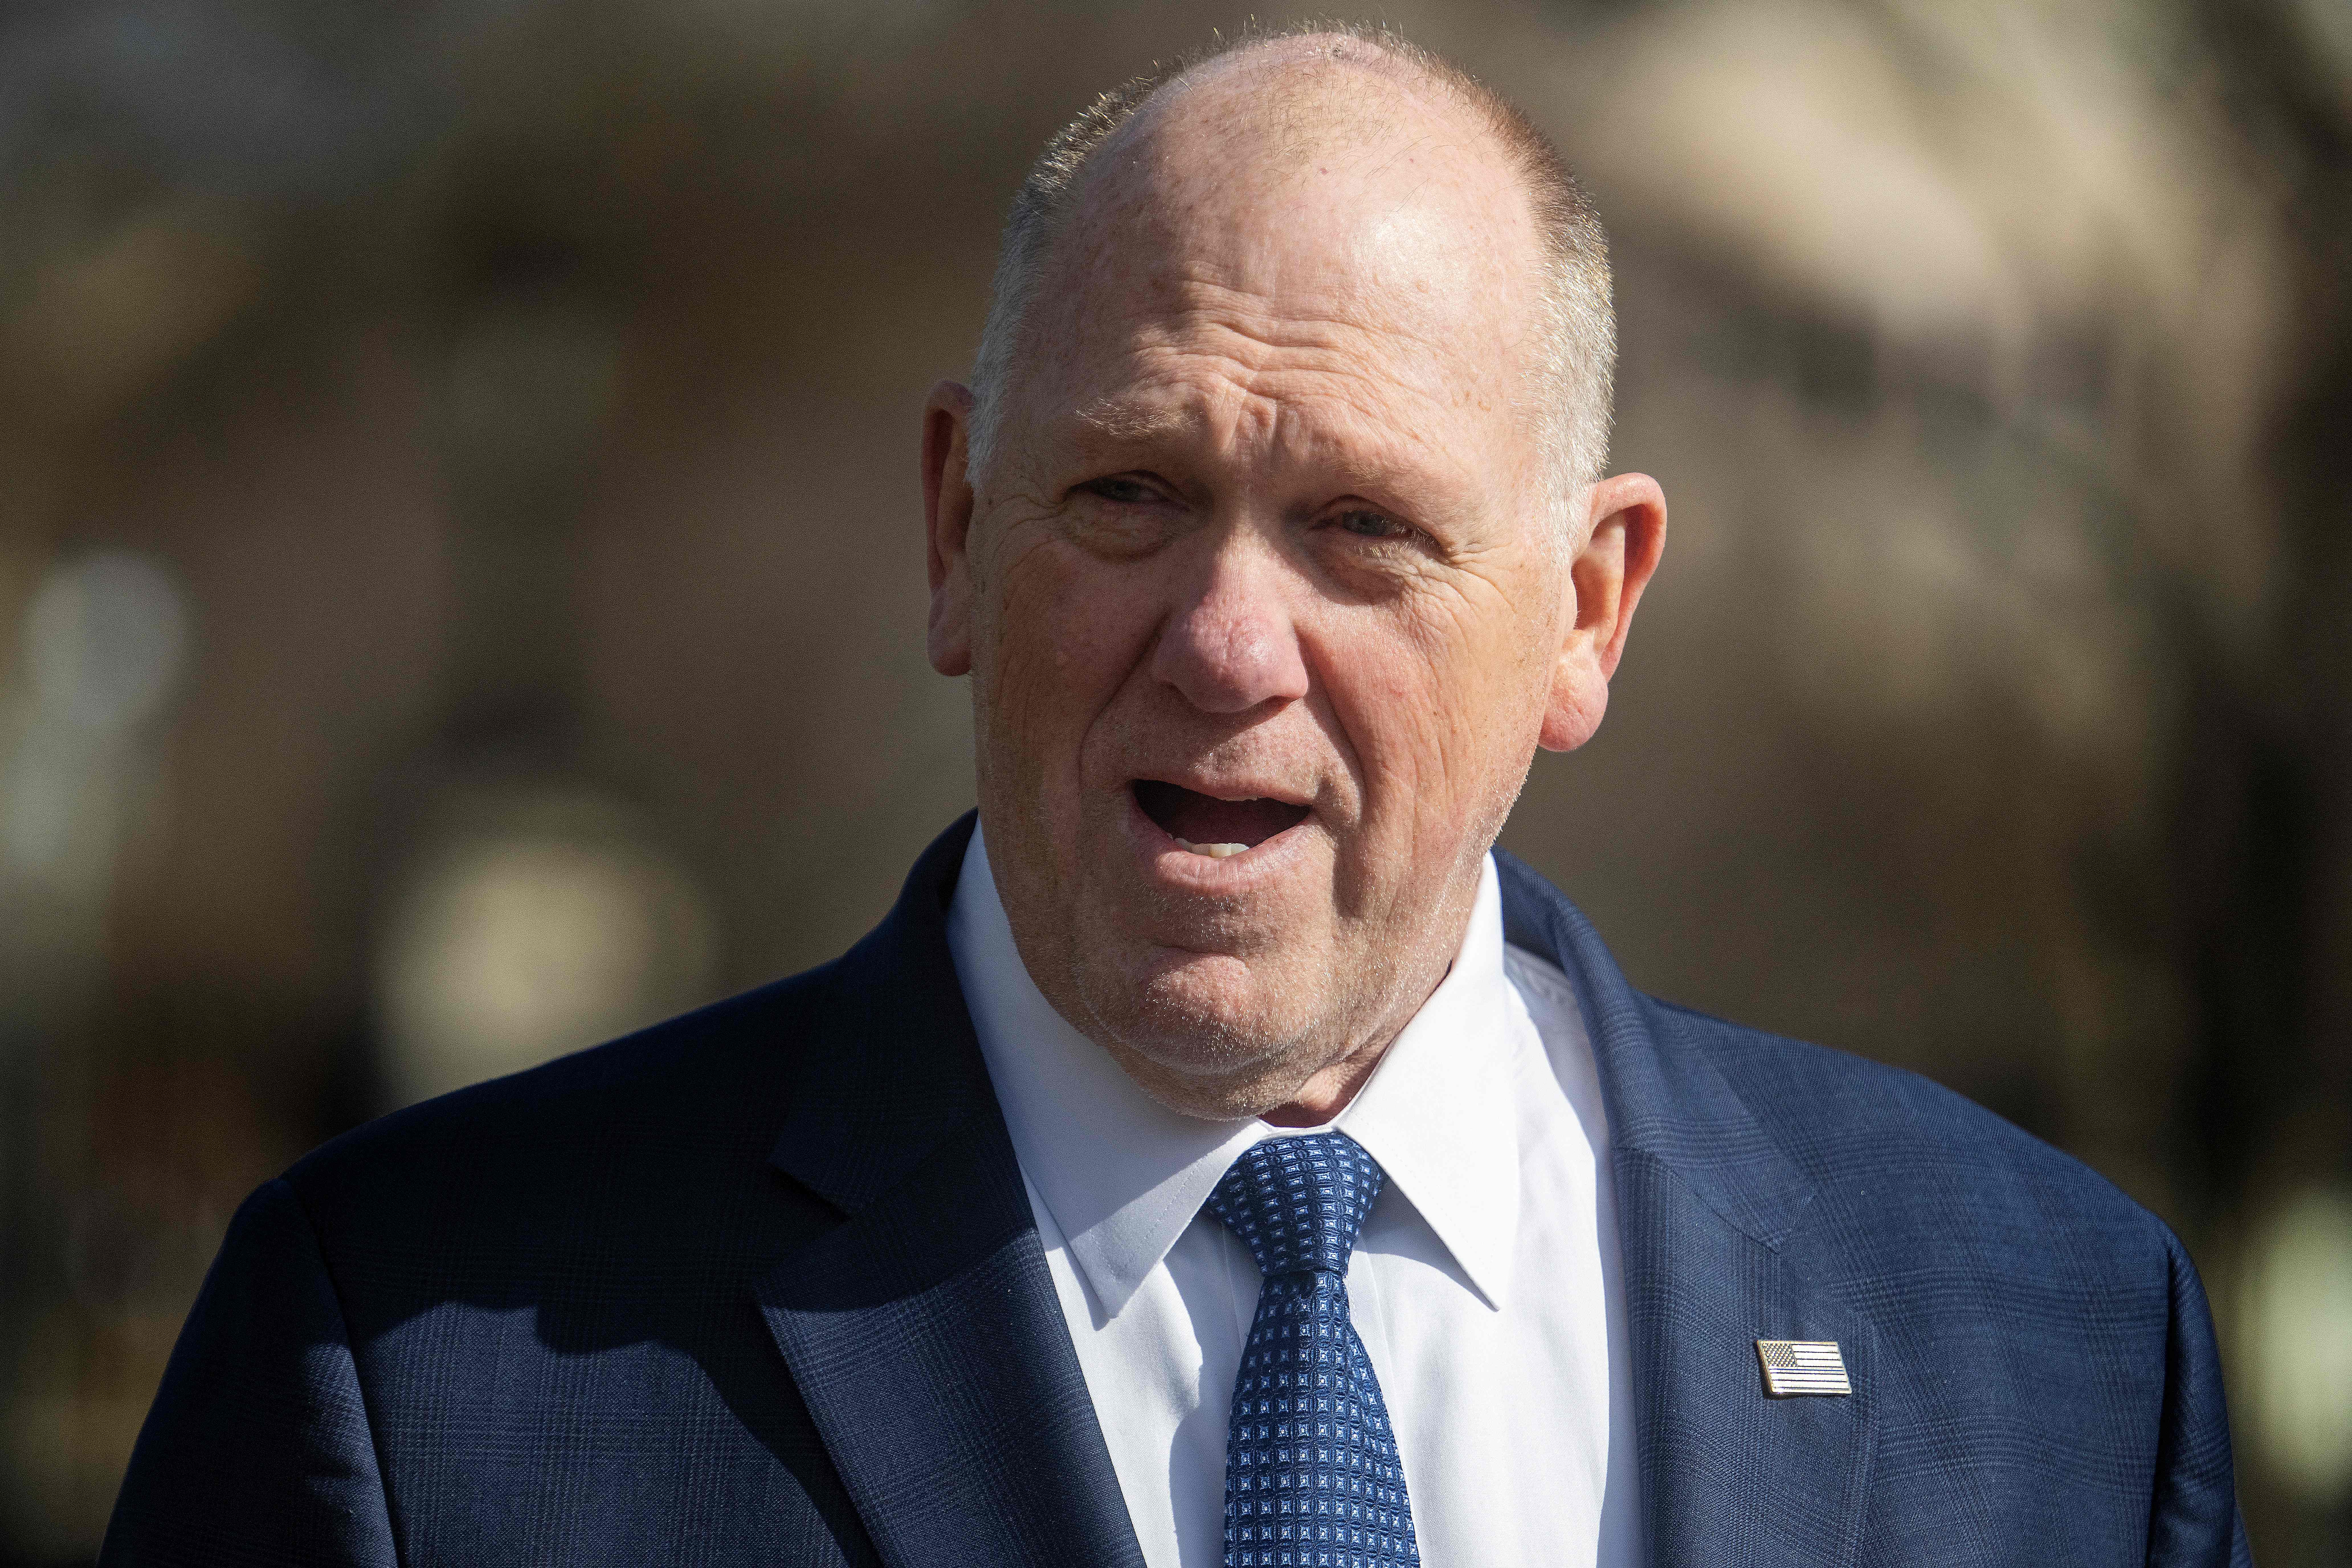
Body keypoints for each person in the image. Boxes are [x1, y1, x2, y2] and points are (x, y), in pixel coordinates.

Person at [103, 24, 2249, 1568]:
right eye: (1130, 495)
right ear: (956, 530)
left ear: (1588, 612)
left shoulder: (2049, 1347)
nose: (1228, 644)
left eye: (1363, 532)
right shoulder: (412, 1365)